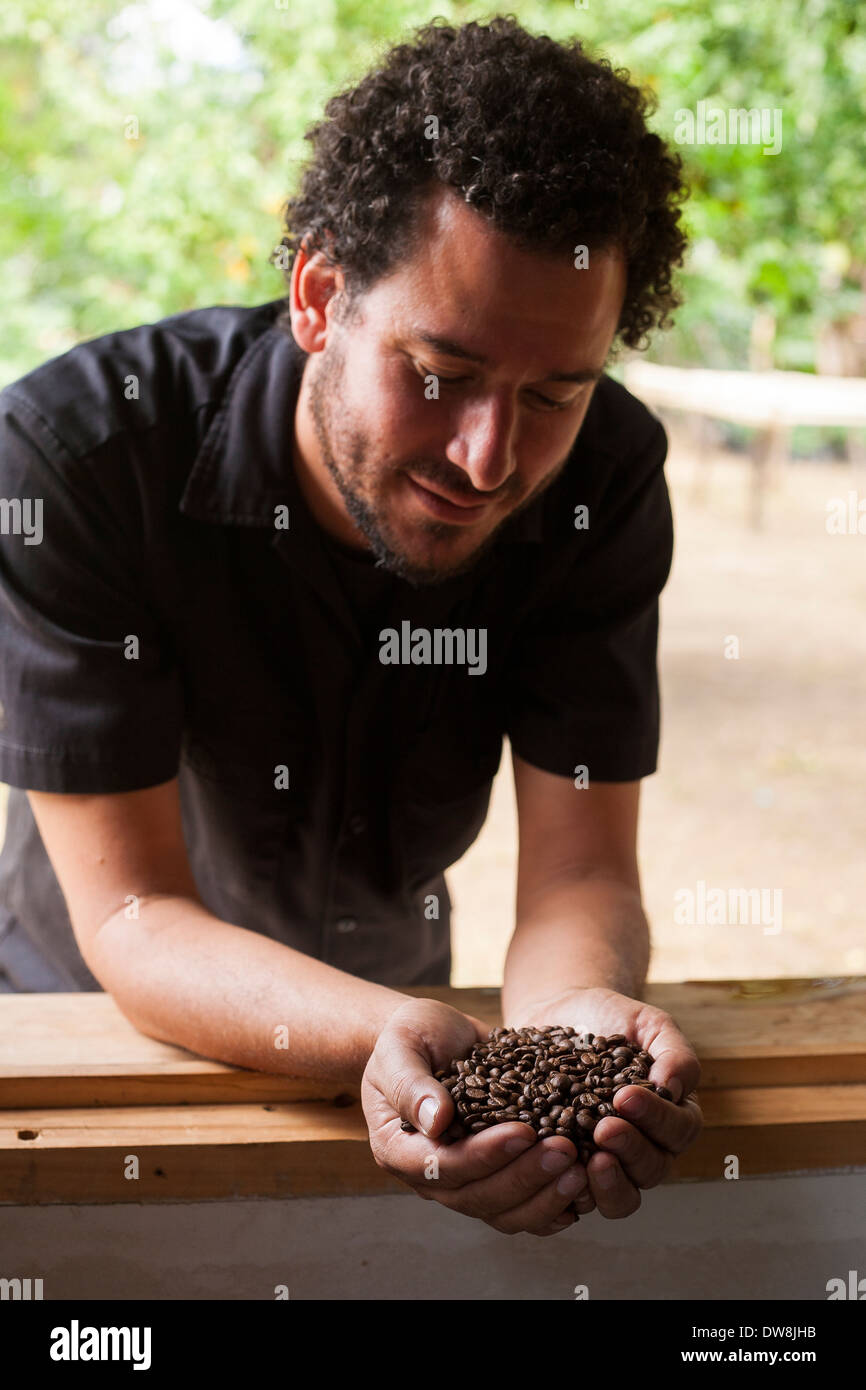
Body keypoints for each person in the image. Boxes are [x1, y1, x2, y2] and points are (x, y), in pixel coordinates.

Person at [0, 16, 702, 1236]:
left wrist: (572, 1015)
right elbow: (130, 916)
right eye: (439, 371)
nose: (491, 459)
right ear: (319, 296)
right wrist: (381, 1030)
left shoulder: (604, 476)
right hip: (93, 1049)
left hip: (415, 1055)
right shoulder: (76, 460)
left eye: (554, 393)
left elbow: (580, 865)